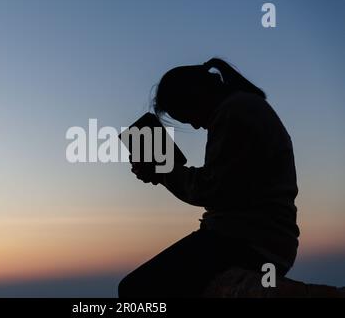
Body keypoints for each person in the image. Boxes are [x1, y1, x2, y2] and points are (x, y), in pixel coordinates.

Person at [118, 58, 300, 298]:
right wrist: (163, 171)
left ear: (195, 94)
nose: (194, 125)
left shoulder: (234, 111)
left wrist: (163, 169)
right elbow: (223, 184)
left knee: (135, 290)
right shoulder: (243, 106)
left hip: (247, 240)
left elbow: (210, 189)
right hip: (261, 238)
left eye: (187, 115)